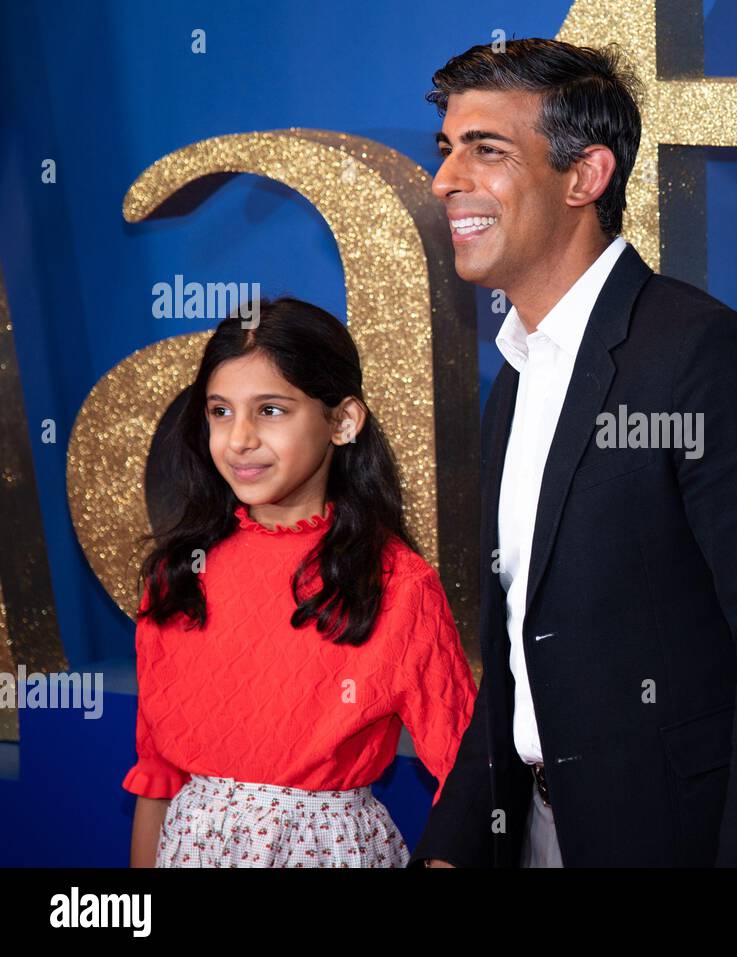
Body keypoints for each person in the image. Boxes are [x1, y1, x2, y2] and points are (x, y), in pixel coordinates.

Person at [411, 38, 737, 868]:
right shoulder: (513, 376)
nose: (444, 179)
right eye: (446, 149)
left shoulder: (706, 356)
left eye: (485, 149)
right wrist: (452, 845)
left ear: (585, 177)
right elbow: (516, 651)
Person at [123, 297, 476, 867]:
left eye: (270, 411)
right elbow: (158, 777)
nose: (238, 439)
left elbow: (469, 781)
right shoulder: (177, 576)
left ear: (342, 421)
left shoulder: (398, 585)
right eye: (219, 411)